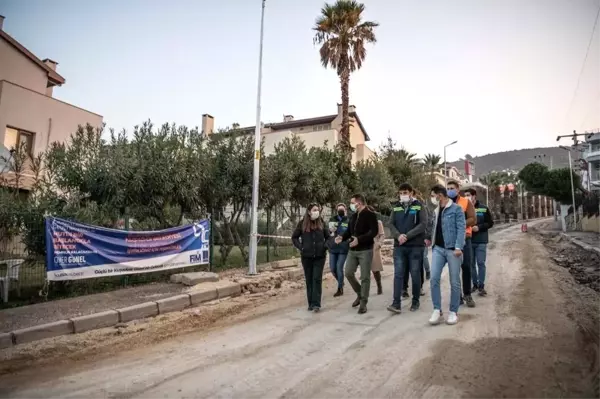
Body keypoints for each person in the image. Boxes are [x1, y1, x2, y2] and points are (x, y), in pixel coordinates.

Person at [387, 183, 428, 313]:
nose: (403, 195)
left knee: (415, 273)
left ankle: (415, 301)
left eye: (405, 192)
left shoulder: (419, 206)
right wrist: (398, 236)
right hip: (399, 246)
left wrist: (408, 236)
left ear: (411, 193)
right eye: (401, 193)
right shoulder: (396, 207)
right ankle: (396, 303)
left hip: (415, 246)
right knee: (398, 274)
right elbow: (391, 224)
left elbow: (423, 224)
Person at [335, 194, 379, 314]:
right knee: (348, 272)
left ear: (359, 203)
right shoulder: (353, 216)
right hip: (353, 250)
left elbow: (374, 232)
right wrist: (342, 237)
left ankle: (363, 302)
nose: (351, 205)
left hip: (365, 250)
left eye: (352, 202)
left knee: (365, 277)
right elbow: (349, 231)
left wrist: (359, 240)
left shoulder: (370, 215)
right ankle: (360, 293)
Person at [428, 184, 466, 326]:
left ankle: (453, 311)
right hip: (438, 248)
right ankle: (437, 309)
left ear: (440, 195)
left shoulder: (456, 209)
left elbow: (461, 228)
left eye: (433, 195)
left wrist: (458, 246)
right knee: (434, 279)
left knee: (454, 281)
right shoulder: (436, 210)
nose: (432, 198)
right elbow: (434, 227)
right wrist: (430, 240)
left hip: (452, 249)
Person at [292, 203, 330, 312]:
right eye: (314, 210)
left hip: (320, 256)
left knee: (317, 279)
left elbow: (328, 238)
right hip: (306, 257)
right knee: (309, 280)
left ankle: (316, 304)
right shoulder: (302, 224)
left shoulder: (322, 223)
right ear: (309, 212)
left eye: (317, 210)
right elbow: (294, 237)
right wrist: (301, 247)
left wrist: (325, 246)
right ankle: (310, 303)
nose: (316, 212)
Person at [446, 179, 477, 308]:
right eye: (448, 188)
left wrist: (459, 223)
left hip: (466, 239)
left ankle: (467, 294)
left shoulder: (466, 202)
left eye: (452, 188)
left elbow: (473, 219)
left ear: (458, 189)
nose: (450, 190)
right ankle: (457, 296)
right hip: (451, 241)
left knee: (466, 267)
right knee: (454, 269)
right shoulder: (445, 203)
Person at [465, 188, 494, 296]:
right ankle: (475, 284)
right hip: (469, 240)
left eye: (469, 195)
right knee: (471, 264)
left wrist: (479, 227)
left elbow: (490, 223)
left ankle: (481, 286)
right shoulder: (464, 209)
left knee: (481, 263)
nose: (467, 197)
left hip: (481, 240)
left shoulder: (484, 208)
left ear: (474, 196)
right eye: (466, 195)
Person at [328, 203, 350, 297]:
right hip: (333, 247)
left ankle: (340, 289)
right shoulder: (332, 219)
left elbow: (350, 233)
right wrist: (330, 230)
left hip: (343, 248)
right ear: (336, 210)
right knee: (333, 269)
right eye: (339, 210)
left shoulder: (349, 220)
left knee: (339, 268)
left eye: (342, 210)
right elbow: (329, 232)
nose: (340, 211)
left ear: (345, 210)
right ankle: (341, 281)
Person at [368, 206, 385, 295]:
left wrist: (379, 243)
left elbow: (382, 235)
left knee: (375, 269)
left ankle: (379, 285)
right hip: (364, 246)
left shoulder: (378, 222)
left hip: (374, 246)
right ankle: (364, 291)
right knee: (365, 269)